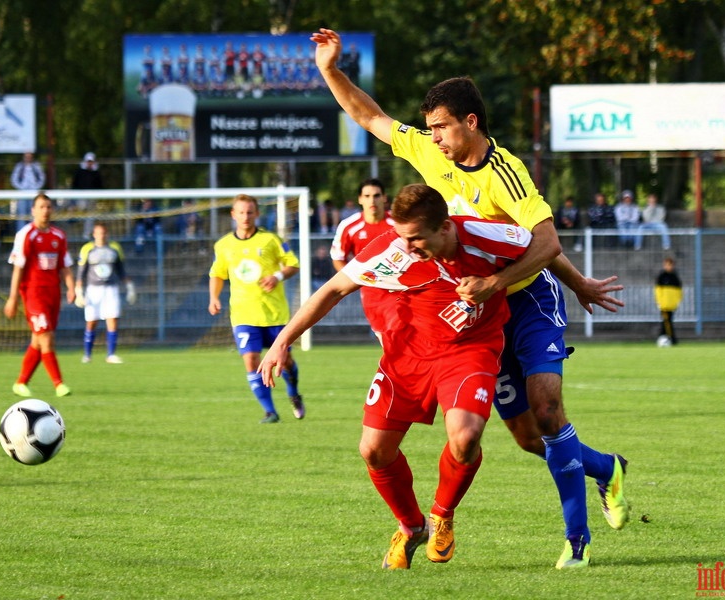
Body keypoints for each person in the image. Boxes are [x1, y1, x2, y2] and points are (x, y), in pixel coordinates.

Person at [312, 28, 628, 569]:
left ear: (470, 123)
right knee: (530, 439)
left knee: (549, 411)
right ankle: (607, 468)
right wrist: (330, 71)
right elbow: (370, 117)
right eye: (429, 127)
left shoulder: (506, 173)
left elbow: (545, 241)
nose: (431, 137)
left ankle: (577, 544)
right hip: (477, 314)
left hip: (526, 300)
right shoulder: (431, 154)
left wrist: (546, 283)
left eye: (440, 127)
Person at [260, 183, 535, 569]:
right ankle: (411, 526)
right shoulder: (392, 248)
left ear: (444, 227)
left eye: (415, 238)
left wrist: (499, 283)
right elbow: (335, 288)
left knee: (466, 437)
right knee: (373, 450)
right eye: (401, 236)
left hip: (469, 350)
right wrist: (283, 340)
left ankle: (442, 515)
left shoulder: (484, 234)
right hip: (406, 354)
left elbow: (545, 247)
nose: (406, 247)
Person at [207, 194, 304, 423]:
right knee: (251, 360)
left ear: (257, 214)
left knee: (285, 361)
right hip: (243, 314)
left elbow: (293, 264)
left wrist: (277, 275)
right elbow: (217, 274)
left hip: (274, 314)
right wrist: (213, 297)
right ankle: (270, 411)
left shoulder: (271, 240)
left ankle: (293, 392)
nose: (245, 217)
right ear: (233, 215)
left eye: (250, 212)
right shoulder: (223, 245)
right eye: (241, 212)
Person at [3, 193, 75, 398]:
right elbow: (18, 268)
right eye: (41, 207)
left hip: (53, 293)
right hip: (33, 293)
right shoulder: (25, 234)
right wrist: (13, 297)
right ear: (33, 210)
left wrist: (71, 287)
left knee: (38, 339)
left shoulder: (59, 236)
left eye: (48, 207)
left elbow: (64, 266)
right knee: (46, 337)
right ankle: (59, 384)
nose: (45, 210)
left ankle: (21, 382)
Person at [330, 178, 396, 337]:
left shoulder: (398, 223)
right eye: (367, 196)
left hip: (401, 289)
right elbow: (338, 257)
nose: (372, 200)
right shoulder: (349, 226)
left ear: (384, 198)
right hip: (372, 293)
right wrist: (355, 279)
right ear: (360, 199)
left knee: (403, 336)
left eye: (376, 195)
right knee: (385, 339)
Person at [75, 222, 136, 364]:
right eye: (98, 233)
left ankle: (111, 354)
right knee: (91, 322)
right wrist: (79, 290)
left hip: (111, 289)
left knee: (112, 319)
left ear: (107, 234)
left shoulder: (114, 248)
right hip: (93, 290)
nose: (101, 236)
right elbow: (81, 272)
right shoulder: (87, 249)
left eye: (103, 233)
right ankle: (87, 354)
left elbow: (121, 270)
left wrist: (130, 287)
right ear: (94, 234)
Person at [71, 152, 105, 239]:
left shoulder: (96, 173)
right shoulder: (79, 172)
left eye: (91, 162)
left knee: (90, 217)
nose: (90, 163)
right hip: (81, 197)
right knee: (82, 208)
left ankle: (86, 234)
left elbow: (100, 186)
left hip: (92, 199)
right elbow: (74, 184)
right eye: (88, 161)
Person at [9, 152, 46, 231]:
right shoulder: (19, 166)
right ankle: (21, 233)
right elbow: (14, 179)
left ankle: (35, 232)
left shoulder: (36, 166)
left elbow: (42, 178)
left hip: (34, 194)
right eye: (26, 156)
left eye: (30, 156)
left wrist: (36, 187)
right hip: (22, 194)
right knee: (21, 215)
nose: (28, 158)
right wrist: (21, 187)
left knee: (35, 214)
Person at [654, 257, 682, 345]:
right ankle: (672, 339)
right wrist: (659, 301)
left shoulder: (675, 277)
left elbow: (679, 292)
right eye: (666, 265)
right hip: (664, 304)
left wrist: (677, 301)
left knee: (667, 321)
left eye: (670, 265)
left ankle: (662, 337)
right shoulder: (661, 276)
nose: (668, 267)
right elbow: (658, 291)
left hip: (672, 304)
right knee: (667, 321)